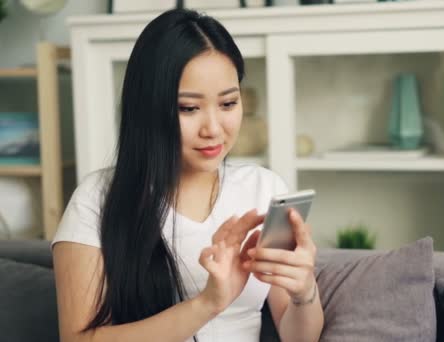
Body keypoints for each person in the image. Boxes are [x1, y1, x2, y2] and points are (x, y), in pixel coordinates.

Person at [52, 8, 324, 342]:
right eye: (189, 108)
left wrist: (304, 290)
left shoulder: (263, 189)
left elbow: (299, 338)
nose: (213, 129)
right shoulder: (97, 199)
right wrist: (208, 303)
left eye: (227, 104)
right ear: (148, 107)